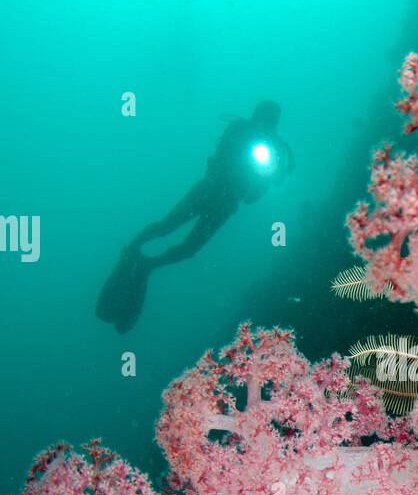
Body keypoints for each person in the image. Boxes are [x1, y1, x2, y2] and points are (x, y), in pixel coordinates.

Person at [97, 101, 295, 332]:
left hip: (225, 204)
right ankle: (132, 249)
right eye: (264, 116)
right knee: (166, 226)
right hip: (208, 190)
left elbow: (253, 197)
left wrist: (268, 176)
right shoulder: (239, 129)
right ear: (256, 115)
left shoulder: (276, 149)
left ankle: (148, 265)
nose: (266, 122)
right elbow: (220, 156)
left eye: (271, 119)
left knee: (189, 248)